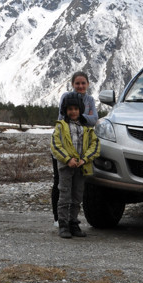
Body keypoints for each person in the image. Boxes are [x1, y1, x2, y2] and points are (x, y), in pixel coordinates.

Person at [50, 92, 100, 238]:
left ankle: (73, 223)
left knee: (77, 197)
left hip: (81, 167)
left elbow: (95, 146)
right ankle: (63, 225)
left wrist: (85, 159)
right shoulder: (60, 126)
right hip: (66, 167)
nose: (73, 112)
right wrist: (67, 159)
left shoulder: (87, 129)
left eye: (76, 109)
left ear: (80, 110)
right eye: (70, 109)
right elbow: (55, 145)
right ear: (65, 110)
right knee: (64, 195)